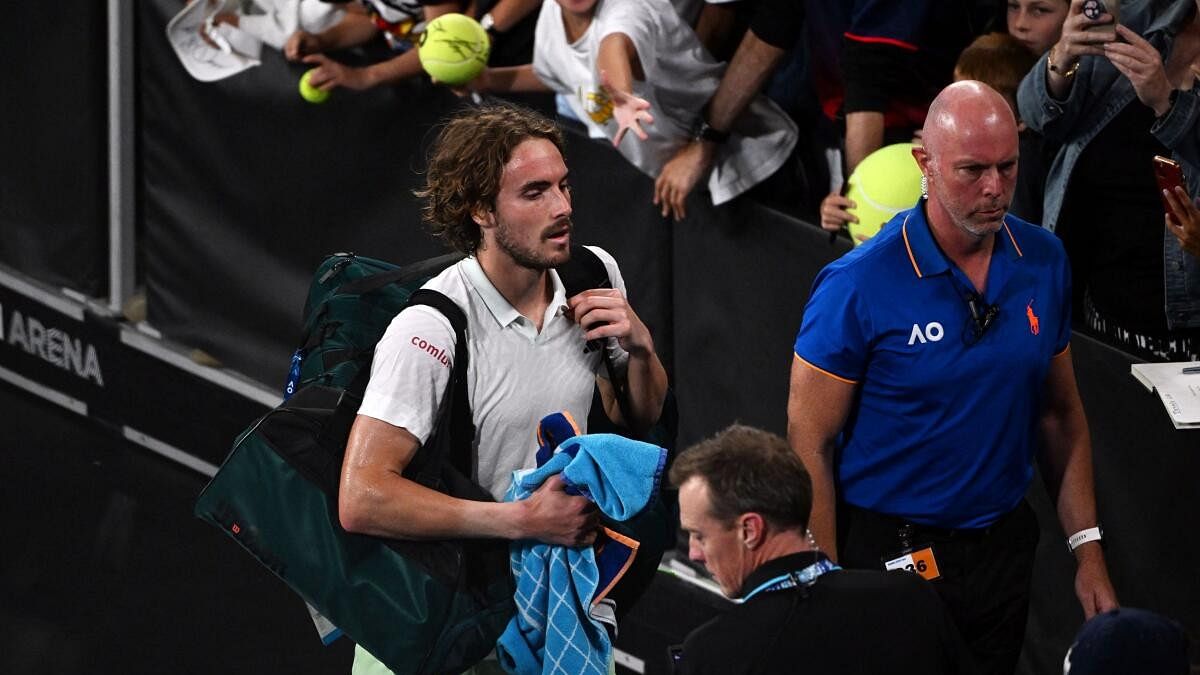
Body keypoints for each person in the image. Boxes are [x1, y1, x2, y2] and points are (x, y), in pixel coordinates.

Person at [789, 81, 1118, 675]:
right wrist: (823, 580)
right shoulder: (856, 284)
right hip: (891, 551)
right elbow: (809, 438)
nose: (994, 189)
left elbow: (1060, 414)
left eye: (1007, 167)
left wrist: (1087, 550)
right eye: (972, 170)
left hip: (1002, 551)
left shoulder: (1044, 260)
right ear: (926, 162)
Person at [338, 103, 668, 672]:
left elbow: (641, 417)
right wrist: (521, 520)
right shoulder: (431, 330)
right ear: (479, 210)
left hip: (554, 606)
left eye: (564, 186)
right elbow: (362, 498)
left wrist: (641, 347)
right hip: (446, 622)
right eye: (534, 192)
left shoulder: (594, 274)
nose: (563, 208)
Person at [670, 424, 975, 675]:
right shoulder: (910, 597)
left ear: (750, 530)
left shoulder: (713, 654)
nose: (694, 553)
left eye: (699, 535)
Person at [469, 0, 798, 222]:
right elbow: (555, 71)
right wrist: (488, 80)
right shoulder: (552, 18)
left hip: (755, 164)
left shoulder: (630, 9)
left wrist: (621, 93)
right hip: (686, 179)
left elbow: (615, 47)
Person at [1017, 0, 1200, 362]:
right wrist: (1062, 59)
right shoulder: (1137, 19)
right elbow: (1037, 117)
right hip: (1098, 316)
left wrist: (1166, 102)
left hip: (1187, 334)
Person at [284, 0, 542, 93]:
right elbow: (374, 18)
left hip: (519, 53)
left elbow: (440, 43)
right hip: (470, 77)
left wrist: (366, 76)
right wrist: (322, 40)